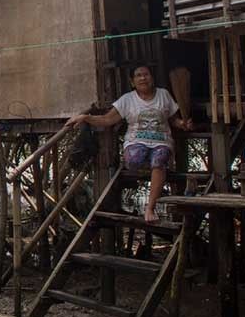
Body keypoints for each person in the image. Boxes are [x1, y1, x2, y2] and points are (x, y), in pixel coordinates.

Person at [66, 64, 193, 222]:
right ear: (132, 82)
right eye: (138, 75)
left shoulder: (163, 95)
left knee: (159, 160)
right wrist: (85, 118)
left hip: (162, 141)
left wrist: (182, 124)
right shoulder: (127, 99)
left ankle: (150, 208)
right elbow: (107, 119)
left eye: (146, 74)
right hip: (136, 142)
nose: (143, 78)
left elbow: (173, 119)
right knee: (134, 160)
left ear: (152, 78)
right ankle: (153, 165)